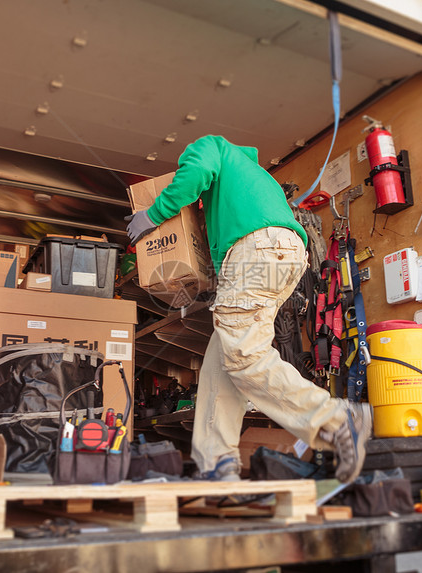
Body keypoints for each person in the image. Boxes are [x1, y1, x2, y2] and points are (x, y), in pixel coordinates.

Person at [125, 135, 372, 483]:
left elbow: (196, 170)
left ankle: (336, 419)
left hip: (257, 248)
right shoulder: (256, 178)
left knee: (244, 356)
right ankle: (217, 464)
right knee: (222, 361)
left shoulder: (211, 146)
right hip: (281, 255)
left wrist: (153, 214)